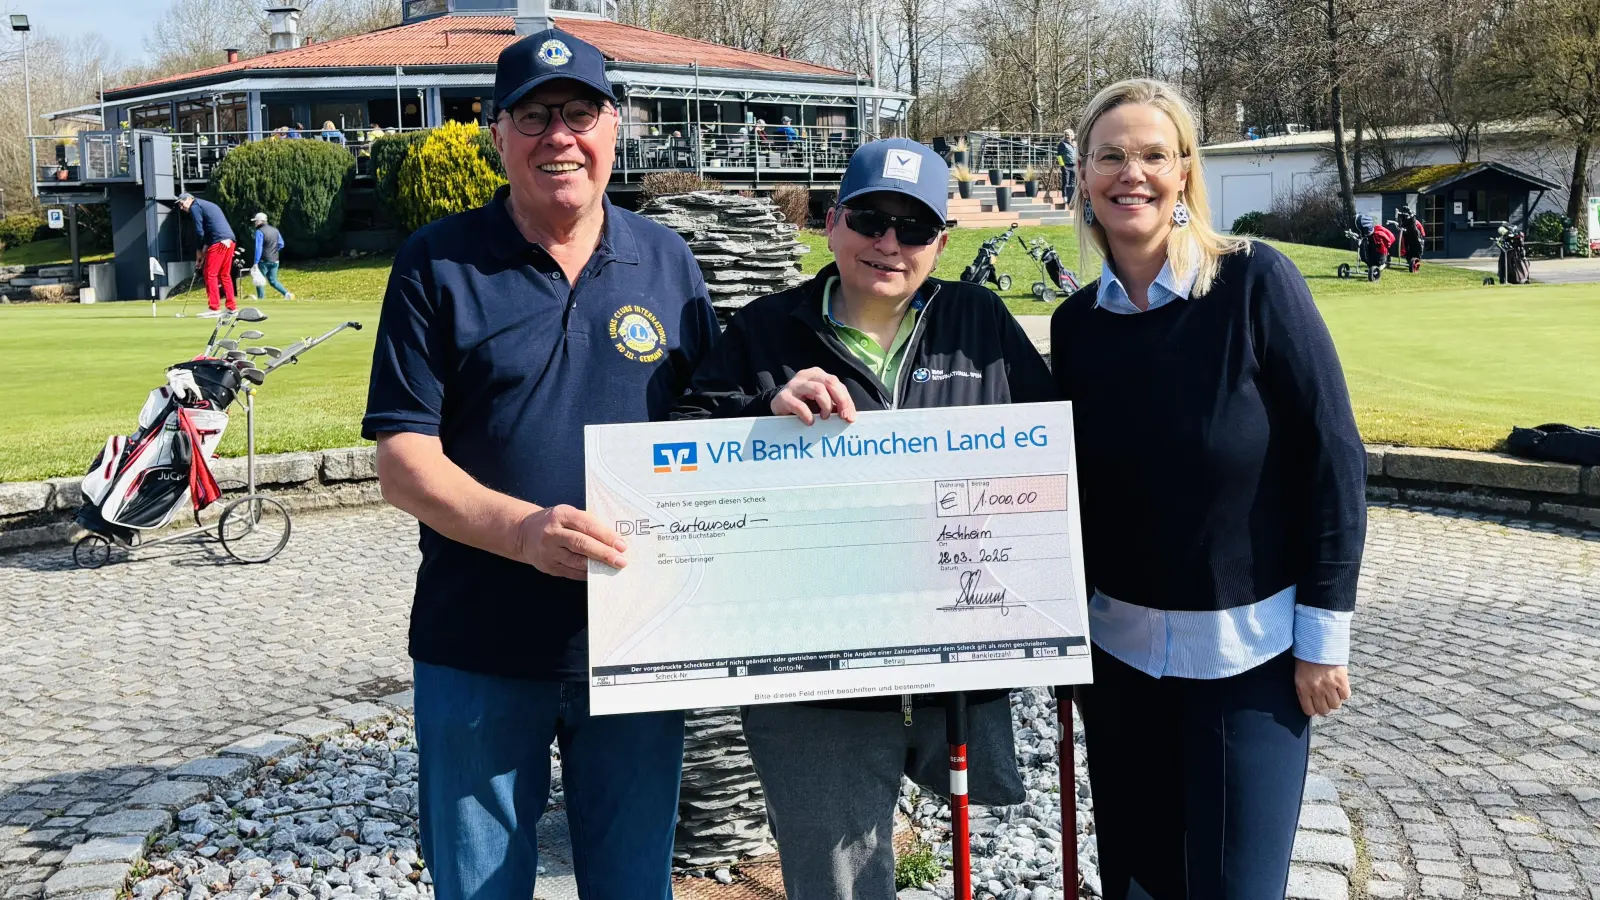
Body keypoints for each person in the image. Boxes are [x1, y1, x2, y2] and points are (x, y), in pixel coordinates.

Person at [362, 27, 719, 900]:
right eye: (534, 116)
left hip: (636, 644)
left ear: (615, 126)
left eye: (581, 113)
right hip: (477, 642)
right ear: (497, 133)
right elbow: (404, 459)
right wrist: (523, 532)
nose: (559, 136)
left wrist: (785, 410)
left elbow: (713, 429)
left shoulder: (667, 258)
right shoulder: (437, 263)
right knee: (479, 887)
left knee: (634, 885)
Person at [675, 138, 1056, 900]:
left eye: (913, 228)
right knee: (836, 877)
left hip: (957, 658)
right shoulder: (764, 330)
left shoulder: (977, 320)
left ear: (941, 245)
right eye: (872, 219)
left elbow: (1054, 452)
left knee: (967, 854)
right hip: (813, 670)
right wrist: (761, 415)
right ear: (832, 223)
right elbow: (680, 455)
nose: (889, 243)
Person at [1050, 78, 1366, 899]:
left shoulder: (1256, 283)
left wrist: (1323, 637)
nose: (1132, 173)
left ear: (1185, 170)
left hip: (1254, 663)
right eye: (1110, 155)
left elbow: (1334, 456)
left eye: (1154, 154)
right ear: (1082, 174)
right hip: (1119, 667)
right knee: (1139, 886)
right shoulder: (1076, 325)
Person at [174, 192, 237, 314]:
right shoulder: (206, 204)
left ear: (189, 199)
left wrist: (199, 251)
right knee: (225, 275)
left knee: (209, 274)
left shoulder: (195, 206)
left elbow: (199, 231)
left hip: (218, 242)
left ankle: (214, 307)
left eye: (182, 204)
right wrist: (203, 251)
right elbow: (209, 230)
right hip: (229, 240)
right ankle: (231, 307)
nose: (181, 208)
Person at [249, 212, 292, 301]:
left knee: (259, 280)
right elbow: (281, 244)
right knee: (273, 281)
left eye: (256, 221)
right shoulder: (275, 230)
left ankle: (261, 299)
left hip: (263, 260)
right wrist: (273, 252)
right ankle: (287, 294)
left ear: (260, 221)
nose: (255, 223)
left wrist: (256, 262)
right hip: (275, 260)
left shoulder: (259, 231)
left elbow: (258, 247)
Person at [1056, 128, 1077, 205]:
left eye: (1069, 135)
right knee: (1066, 182)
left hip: (1074, 166)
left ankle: (1071, 197)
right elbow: (1059, 156)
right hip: (1066, 166)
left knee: (1073, 183)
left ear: (1072, 136)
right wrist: (1062, 165)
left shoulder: (1075, 144)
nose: (1068, 136)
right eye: (1066, 135)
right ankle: (1065, 196)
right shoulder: (1062, 144)